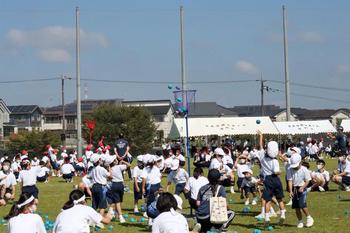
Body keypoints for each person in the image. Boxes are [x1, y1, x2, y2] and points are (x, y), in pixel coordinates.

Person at [257, 132, 286, 227]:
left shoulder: (262, 157)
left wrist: (261, 136)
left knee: (267, 200)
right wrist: (280, 172)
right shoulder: (275, 161)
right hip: (276, 180)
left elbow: (261, 146)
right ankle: (282, 214)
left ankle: (266, 217)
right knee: (280, 198)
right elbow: (276, 172)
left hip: (267, 180)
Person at [287, 154, 314, 228]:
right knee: (296, 207)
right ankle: (300, 221)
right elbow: (290, 180)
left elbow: (308, 180)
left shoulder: (304, 169)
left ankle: (309, 218)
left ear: (300, 162)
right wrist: (290, 191)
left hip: (303, 189)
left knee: (302, 204)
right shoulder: (290, 169)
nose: (295, 167)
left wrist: (302, 187)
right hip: (295, 189)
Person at [106, 159, 130, 223]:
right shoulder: (119, 166)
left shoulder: (110, 169)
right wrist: (123, 161)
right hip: (120, 185)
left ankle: (116, 214)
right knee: (118, 201)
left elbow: (109, 177)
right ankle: (120, 216)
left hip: (114, 185)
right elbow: (129, 165)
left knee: (117, 201)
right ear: (114, 162)